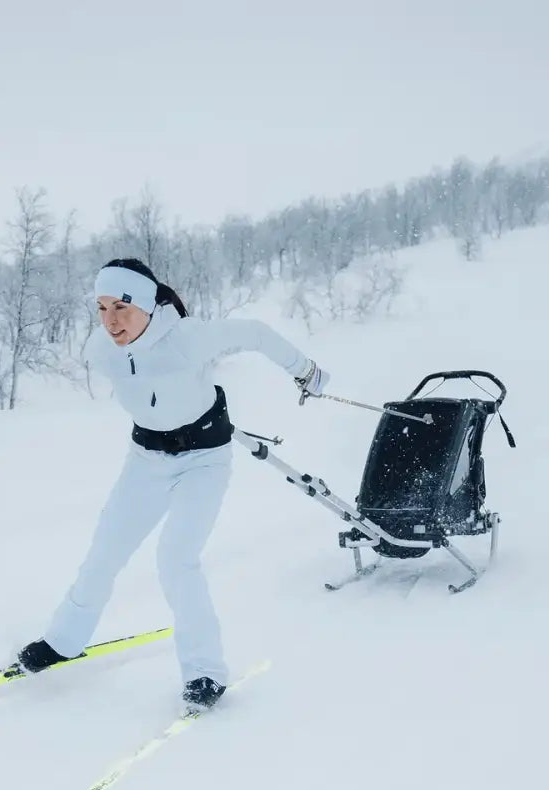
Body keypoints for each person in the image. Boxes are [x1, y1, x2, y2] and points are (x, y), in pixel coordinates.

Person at [16, 258, 329, 707]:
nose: (110, 320)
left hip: (204, 460)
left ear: (146, 303)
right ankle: (64, 641)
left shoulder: (188, 339)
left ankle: (205, 672)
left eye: (121, 307)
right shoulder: (100, 348)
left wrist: (307, 372)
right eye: (101, 308)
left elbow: (257, 333)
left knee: (176, 559)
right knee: (104, 552)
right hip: (145, 460)